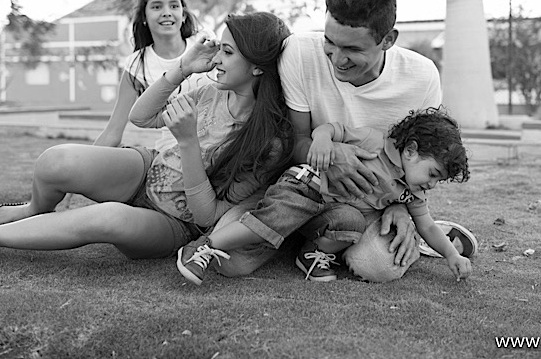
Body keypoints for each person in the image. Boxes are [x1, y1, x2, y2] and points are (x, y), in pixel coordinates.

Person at [0, 12, 294, 271]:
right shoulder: (209, 90)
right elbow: (141, 116)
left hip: (174, 222)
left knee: (107, 218)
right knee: (56, 160)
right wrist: (182, 67)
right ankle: (32, 209)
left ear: (257, 66)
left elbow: (208, 217)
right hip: (145, 169)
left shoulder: (268, 142)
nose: (217, 58)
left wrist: (188, 144)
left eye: (227, 52)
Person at [213, 0, 470, 283]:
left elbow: (423, 160)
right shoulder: (300, 51)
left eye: (352, 49)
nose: (337, 58)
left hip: (368, 203)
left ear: (388, 40)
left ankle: (313, 241)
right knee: (230, 260)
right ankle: (301, 234)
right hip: (305, 184)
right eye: (330, 41)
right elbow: (296, 141)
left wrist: (402, 208)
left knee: (378, 264)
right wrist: (331, 157)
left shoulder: (422, 77)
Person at [177, 107, 472, 285]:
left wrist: (452, 254)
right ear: (411, 150)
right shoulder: (374, 143)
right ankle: (203, 247)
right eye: (433, 174)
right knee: (276, 218)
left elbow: (427, 226)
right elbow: (333, 129)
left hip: (331, 212)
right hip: (307, 187)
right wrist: (320, 140)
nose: (432, 184)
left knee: (352, 223)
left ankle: (311, 254)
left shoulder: (412, 193)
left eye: (439, 180)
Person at [95, 0, 208, 149]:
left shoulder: (204, 42)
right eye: (156, 7)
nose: (167, 12)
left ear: (184, 14)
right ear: (144, 17)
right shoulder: (136, 65)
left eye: (174, 6)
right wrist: (87, 159)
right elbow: (113, 132)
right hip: (173, 150)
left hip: (217, 140)